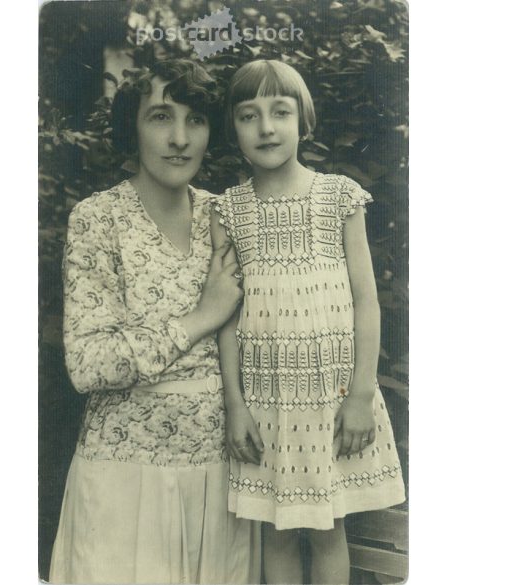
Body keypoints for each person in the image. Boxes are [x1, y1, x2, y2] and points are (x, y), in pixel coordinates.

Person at [49, 59, 260, 585]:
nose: (180, 139)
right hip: (125, 481)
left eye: (196, 120)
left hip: (220, 483)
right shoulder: (98, 219)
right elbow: (87, 364)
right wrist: (201, 317)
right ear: (132, 127)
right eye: (161, 117)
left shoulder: (226, 216)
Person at [211, 59, 406, 585]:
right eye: (249, 116)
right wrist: (235, 406)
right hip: (267, 403)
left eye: (280, 112)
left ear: (304, 120)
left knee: (326, 532)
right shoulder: (229, 210)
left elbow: (367, 300)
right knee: (274, 533)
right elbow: (227, 317)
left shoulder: (338, 197)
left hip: (330, 398)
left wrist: (360, 394)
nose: (266, 127)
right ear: (234, 128)